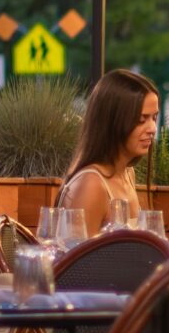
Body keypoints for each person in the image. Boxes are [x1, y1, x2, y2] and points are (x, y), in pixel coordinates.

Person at [58, 69, 159, 235]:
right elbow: (75, 258)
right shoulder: (92, 184)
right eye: (142, 120)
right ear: (113, 122)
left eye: (154, 118)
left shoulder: (127, 173)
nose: (152, 129)